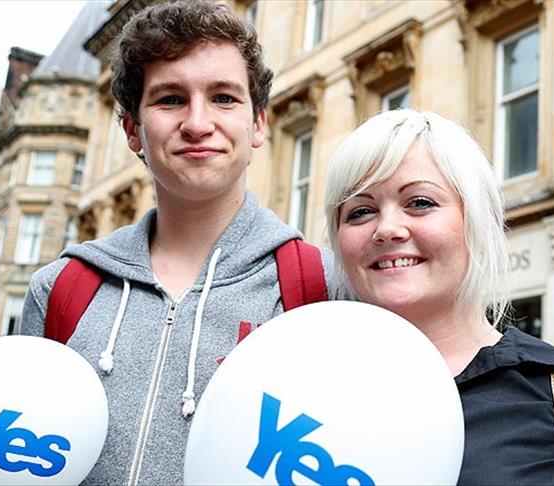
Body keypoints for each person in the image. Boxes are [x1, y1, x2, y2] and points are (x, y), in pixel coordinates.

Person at [20, 1, 332, 484]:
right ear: (133, 130)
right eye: (170, 100)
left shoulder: (320, 288)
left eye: (224, 98)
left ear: (258, 123)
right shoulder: (61, 288)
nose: (198, 123)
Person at [324, 109, 554, 485]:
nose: (386, 229)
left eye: (420, 202)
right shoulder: (313, 389)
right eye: (361, 211)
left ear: (478, 219)